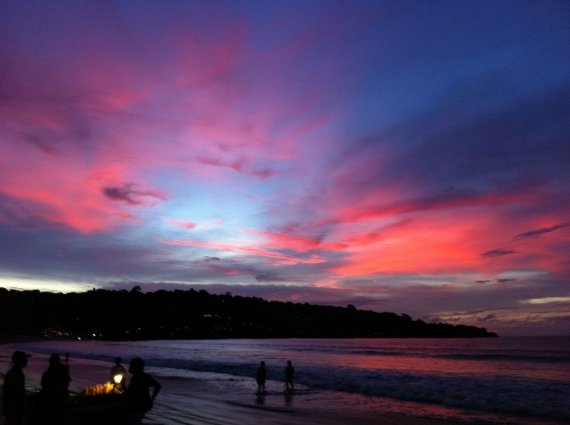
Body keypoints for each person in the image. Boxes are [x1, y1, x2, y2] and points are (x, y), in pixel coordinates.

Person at [125, 357, 161, 425]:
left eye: (131, 365)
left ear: (136, 367)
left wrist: (151, 399)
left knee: (133, 421)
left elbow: (158, 386)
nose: (129, 367)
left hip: (139, 405)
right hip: (140, 404)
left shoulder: (142, 377)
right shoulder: (137, 377)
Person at [40, 353, 71, 425]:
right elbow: (66, 383)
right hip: (57, 400)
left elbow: (44, 385)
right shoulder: (60, 370)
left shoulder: (49, 373)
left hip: (54, 400)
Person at [2, 351, 30, 425]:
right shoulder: (17, 374)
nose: (27, 361)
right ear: (21, 361)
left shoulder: (12, 372)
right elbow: (18, 394)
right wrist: (23, 409)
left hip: (10, 407)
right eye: (25, 359)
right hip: (14, 408)